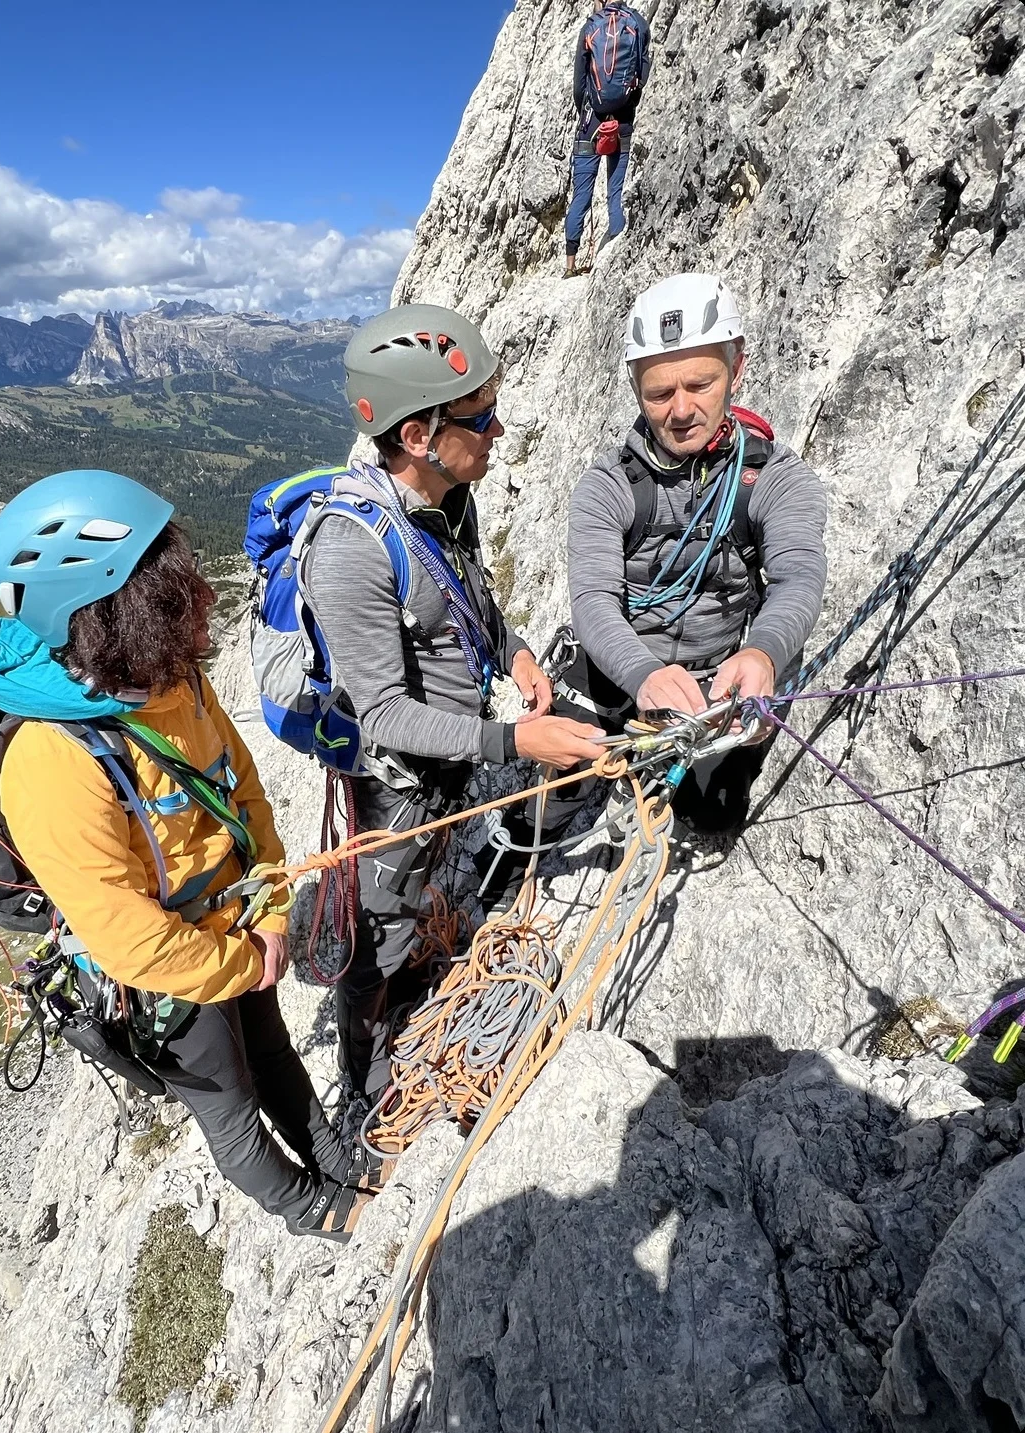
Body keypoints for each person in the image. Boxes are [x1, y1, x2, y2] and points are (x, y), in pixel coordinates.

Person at [0, 470, 367, 1241]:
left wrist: (269, 913)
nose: (192, 586)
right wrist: (240, 963)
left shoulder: (172, 677)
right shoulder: (51, 758)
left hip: (235, 923)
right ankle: (315, 1208)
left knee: (270, 1050)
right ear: (103, 608)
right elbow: (127, 936)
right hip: (164, 972)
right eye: (162, 573)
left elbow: (245, 795)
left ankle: (339, 1156)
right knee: (229, 1103)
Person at [299, 304, 606, 1136]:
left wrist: (516, 655)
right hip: (395, 784)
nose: (499, 430)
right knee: (382, 927)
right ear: (418, 433)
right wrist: (511, 741)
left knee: (421, 888)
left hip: (453, 758)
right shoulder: (352, 546)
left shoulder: (448, 499)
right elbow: (386, 714)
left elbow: (470, 600)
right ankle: (366, 1089)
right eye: (480, 418)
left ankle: (417, 965)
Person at [555, 272, 828, 832]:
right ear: (636, 390)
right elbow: (593, 598)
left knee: (712, 814)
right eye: (659, 394)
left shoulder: (773, 478)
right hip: (621, 668)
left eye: (700, 385)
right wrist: (642, 675)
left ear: (737, 369)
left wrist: (764, 654)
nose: (680, 410)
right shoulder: (609, 485)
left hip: (719, 675)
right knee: (551, 798)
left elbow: (797, 576)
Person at [565, 1, 652, 277]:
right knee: (615, 190)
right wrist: (629, 104)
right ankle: (615, 249)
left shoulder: (591, 26)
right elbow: (644, 71)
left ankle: (570, 264)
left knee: (582, 194)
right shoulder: (637, 22)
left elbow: (580, 83)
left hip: (592, 120)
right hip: (623, 118)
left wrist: (586, 111)